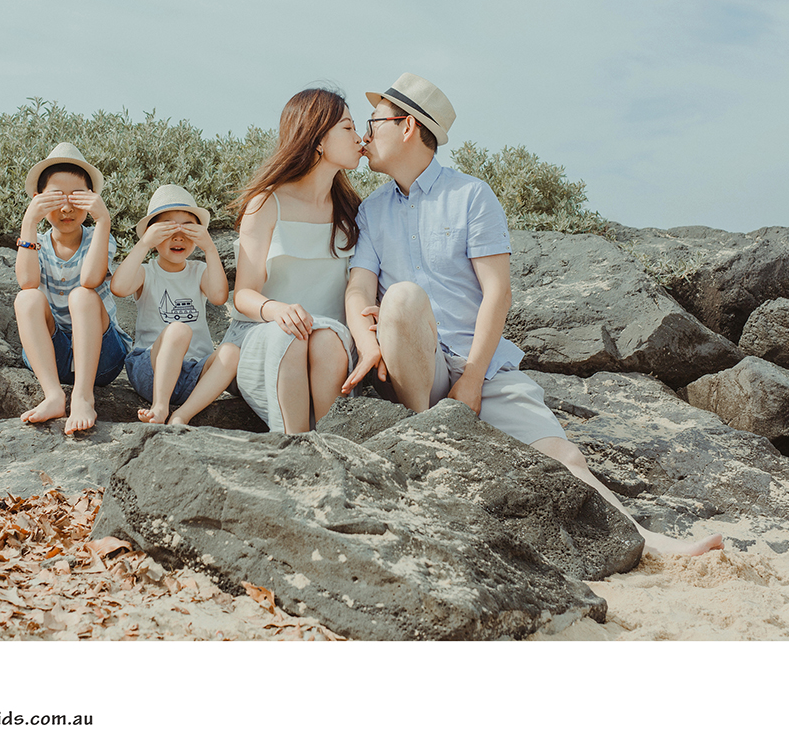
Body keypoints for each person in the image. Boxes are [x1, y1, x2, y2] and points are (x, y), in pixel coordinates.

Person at [343, 72, 722, 557]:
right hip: (415, 364)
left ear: (408, 126)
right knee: (400, 299)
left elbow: (497, 293)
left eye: (374, 122)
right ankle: (427, 439)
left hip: (481, 366)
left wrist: (472, 380)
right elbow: (358, 288)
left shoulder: (471, 196)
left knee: (564, 455)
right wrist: (367, 342)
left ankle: (652, 544)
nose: (365, 135)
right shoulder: (372, 210)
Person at [222, 88, 364, 433]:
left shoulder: (353, 211)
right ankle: (294, 444)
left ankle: (331, 444)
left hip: (331, 345)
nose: (359, 138)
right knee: (292, 336)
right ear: (318, 139)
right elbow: (243, 294)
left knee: (326, 339)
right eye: (348, 128)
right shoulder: (266, 203)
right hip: (268, 334)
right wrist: (278, 310)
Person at [14, 142, 132, 434]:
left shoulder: (99, 237)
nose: (67, 208)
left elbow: (90, 280)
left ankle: (82, 397)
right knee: (27, 299)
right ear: (39, 199)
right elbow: (27, 283)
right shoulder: (38, 243)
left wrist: (103, 219)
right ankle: (54, 396)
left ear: (91, 199)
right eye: (56, 197)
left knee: (82, 295)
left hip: (101, 357)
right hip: (52, 356)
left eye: (77, 197)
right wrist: (29, 221)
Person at [110, 184, 240, 425]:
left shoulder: (199, 271)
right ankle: (160, 407)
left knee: (231, 352)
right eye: (167, 229)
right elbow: (118, 287)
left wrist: (210, 247)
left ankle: (182, 415)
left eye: (188, 228)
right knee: (179, 330)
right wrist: (144, 244)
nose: (178, 237)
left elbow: (219, 296)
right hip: (151, 369)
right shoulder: (147, 272)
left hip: (195, 374)